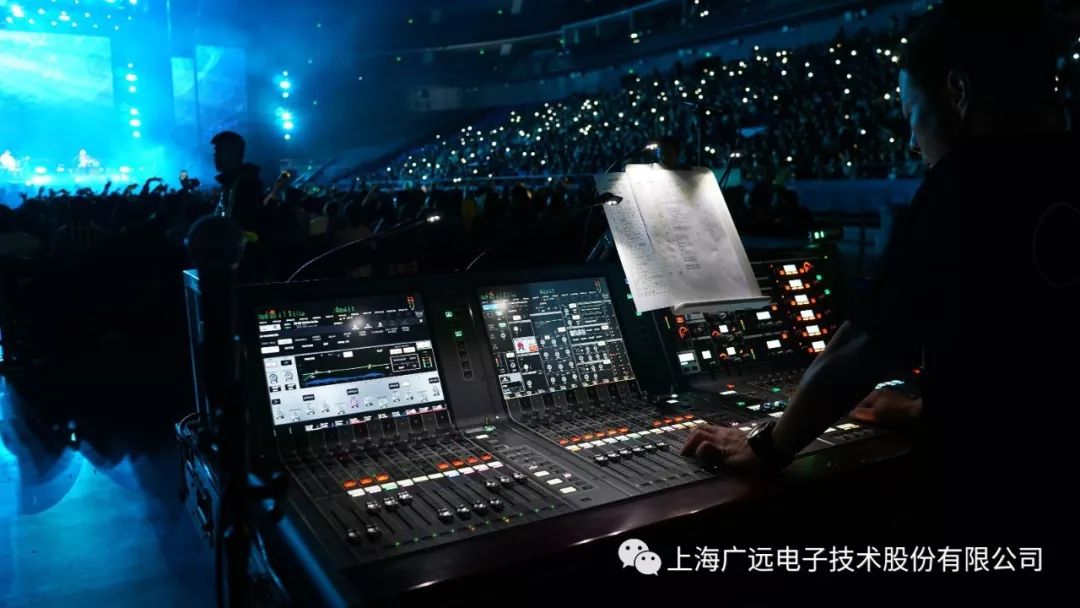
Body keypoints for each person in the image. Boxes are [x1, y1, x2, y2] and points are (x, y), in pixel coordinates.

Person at [682, 0, 1076, 594]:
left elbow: (866, 345)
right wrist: (926, 411)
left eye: (912, 113)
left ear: (958, 92)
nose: (913, 140)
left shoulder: (966, 181)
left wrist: (768, 446)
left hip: (1003, 512)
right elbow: (1033, 352)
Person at [211, 131, 265, 237]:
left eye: (219, 151)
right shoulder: (230, 183)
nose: (215, 155)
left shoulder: (246, 184)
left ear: (233, 153)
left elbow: (246, 225)